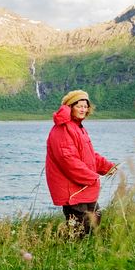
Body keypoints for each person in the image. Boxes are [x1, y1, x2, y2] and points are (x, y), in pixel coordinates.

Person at [45, 90, 116, 237]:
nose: (83, 109)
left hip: (83, 186)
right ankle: (71, 252)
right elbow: (68, 161)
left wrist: (106, 166)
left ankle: (80, 251)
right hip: (72, 188)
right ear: (70, 107)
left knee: (94, 217)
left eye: (85, 106)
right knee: (80, 226)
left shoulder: (78, 127)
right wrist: (91, 177)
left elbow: (88, 156)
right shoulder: (63, 128)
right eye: (79, 106)